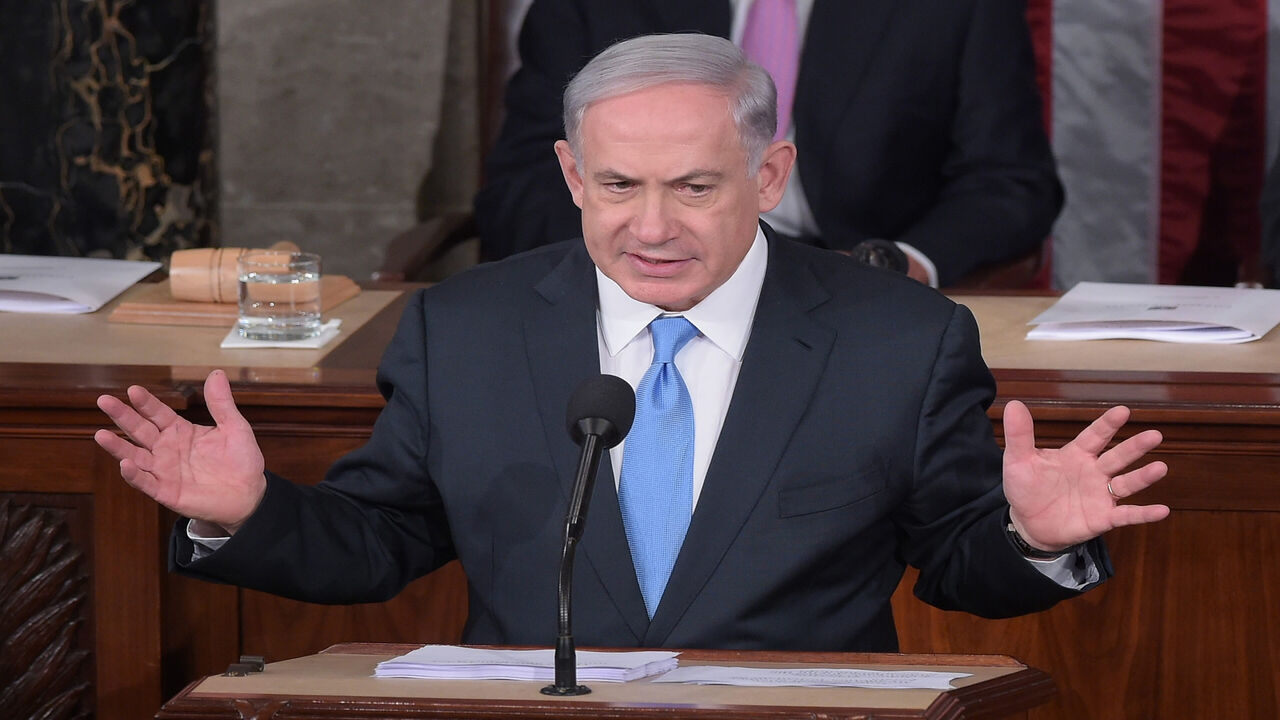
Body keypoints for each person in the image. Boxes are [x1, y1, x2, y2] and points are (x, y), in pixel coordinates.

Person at [95, 35, 1167, 652]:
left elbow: (956, 562)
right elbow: (384, 543)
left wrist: (1031, 537)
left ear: (770, 176)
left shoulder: (900, 339)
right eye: (615, 186)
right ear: (569, 176)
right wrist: (251, 513)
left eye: (694, 188)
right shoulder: (463, 328)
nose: (649, 227)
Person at [473, 0, 1063, 287]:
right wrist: (632, 266)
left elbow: (1010, 183)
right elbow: (526, 183)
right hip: (640, 284)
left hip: (854, 285)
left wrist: (894, 264)